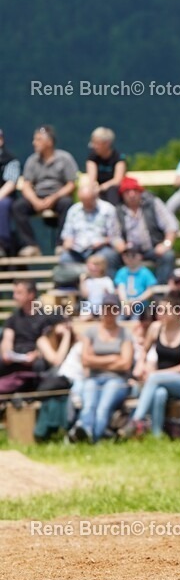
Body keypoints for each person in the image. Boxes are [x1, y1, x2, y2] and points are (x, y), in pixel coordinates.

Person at [121, 294, 180, 438]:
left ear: (177, 312)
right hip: (158, 382)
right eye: (159, 310)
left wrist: (156, 374)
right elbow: (144, 350)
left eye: (164, 311)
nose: (160, 314)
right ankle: (157, 434)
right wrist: (141, 365)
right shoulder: (156, 328)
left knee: (155, 379)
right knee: (159, 393)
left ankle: (135, 420)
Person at [71, 293, 134, 443]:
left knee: (103, 407)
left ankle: (93, 438)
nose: (109, 312)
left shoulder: (125, 334)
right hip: (93, 378)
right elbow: (85, 360)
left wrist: (96, 360)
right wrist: (113, 358)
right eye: (106, 308)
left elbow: (126, 364)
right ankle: (86, 431)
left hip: (117, 380)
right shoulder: (91, 332)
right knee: (89, 405)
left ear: (117, 311)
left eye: (113, 309)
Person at [11, 125, 79, 257]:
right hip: (37, 196)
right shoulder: (32, 160)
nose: (34, 143)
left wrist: (54, 197)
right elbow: (26, 184)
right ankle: (31, 245)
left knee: (67, 204)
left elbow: (71, 184)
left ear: (49, 142)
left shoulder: (65, 158)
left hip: (58, 196)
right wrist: (34, 200)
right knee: (18, 207)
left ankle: (61, 244)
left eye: (38, 139)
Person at [0, 281, 63, 393]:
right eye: (14, 293)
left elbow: (53, 337)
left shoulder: (48, 315)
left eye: (19, 293)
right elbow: (7, 339)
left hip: (38, 357)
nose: (15, 297)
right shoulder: (13, 318)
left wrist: (37, 354)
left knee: (40, 365)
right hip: (17, 357)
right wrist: (7, 353)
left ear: (31, 294)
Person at [114, 176, 178, 284]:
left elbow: (171, 225)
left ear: (140, 192)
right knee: (109, 257)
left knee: (168, 255)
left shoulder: (153, 203)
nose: (132, 194)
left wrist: (166, 244)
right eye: (127, 191)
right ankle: (115, 289)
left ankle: (160, 290)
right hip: (128, 251)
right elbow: (114, 234)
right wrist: (120, 245)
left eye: (135, 190)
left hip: (152, 248)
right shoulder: (118, 210)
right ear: (122, 194)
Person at [58, 178, 121, 272]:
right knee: (65, 259)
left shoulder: (108, 209)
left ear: (95, 197)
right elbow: (67, 234)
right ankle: (82, 278)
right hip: (77, 250)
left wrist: (103, 241)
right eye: (84, 201)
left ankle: (104, 280)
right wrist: (68, 242)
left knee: (109, 256)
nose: (87, 204)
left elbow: (114, 236)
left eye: (89, 201)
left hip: (100, 249)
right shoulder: (73, 210)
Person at [85, 127, 127, 206]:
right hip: (98, 189)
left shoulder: (118, 157)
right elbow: (92, 179)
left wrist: (101, 187)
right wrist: (94, 187)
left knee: (112, 191)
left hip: (114, 191)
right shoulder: (92, 157)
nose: (93, 146)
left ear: (107, 143)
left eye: (97, 143)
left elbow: (117, 180)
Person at [114, 244, 158, 318]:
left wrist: (136, 301)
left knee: (137, 319)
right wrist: (125, 304)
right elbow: (121, 289)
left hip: (142, 307)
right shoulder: (121, 272)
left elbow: (150, 290)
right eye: (126, 255)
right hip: (125, 306)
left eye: (133, 255)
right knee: (119, 319)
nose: (129, 258)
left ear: (140, 256)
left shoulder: (145, 272)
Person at [0, 129, 21, 257]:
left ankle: (2, 243)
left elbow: (11, 183)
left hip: (5, 197)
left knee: (2, 204)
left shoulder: (10, 160)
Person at [79, 254, 115, 319]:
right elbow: (85, 295)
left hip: (102, 305)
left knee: (104, 313)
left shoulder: (106, 280)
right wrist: (82, 282)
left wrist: (106, 292)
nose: (93, 267)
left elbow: (111, 294)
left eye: (96, 265)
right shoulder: (88, 281)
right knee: (84, 317)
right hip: (90, 305)